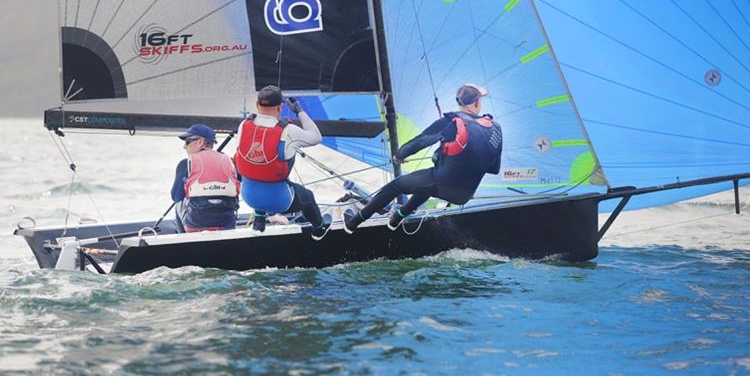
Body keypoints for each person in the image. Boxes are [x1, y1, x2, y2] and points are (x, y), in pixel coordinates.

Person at [344, 84, 503, 232]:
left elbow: (420, 142)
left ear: (458, 101)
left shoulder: (450, 122)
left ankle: (353, 224)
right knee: (425, 183)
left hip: (442, 184)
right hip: (465, 195)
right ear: (477, 103)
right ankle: (397, 218)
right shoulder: (495, 128)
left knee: (397, 186)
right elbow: (494, 169)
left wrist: (400, 155)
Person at [234, 85, 328, 235]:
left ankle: (259, 222)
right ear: (280, 107)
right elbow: (316, 137)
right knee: (308, 197)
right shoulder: (288, 131)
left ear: (257, 105)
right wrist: (299, 111)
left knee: (257, 167)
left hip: (248, 197)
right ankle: (319, 230)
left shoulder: (243, 125)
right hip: (279, 201)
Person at [171, 124, 239, 232]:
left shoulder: (185, 164)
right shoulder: (229, 162)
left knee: (178, 204)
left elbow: (176, 197)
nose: (185, 146)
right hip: (227, 224)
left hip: (196, 224)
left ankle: (183, 237)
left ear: (200, 142)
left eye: (187, 141)